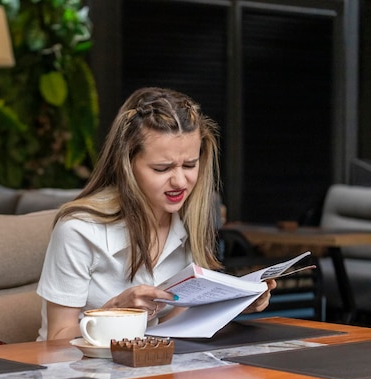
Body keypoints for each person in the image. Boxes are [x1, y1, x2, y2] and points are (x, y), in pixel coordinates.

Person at [36, 87, 276, 341]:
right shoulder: (78, 229)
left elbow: (175, 326)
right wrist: (116, 310)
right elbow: (58, 339)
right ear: (127, 164)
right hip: (80, 373)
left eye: (190, 165)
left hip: (151, 369)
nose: (180, 181)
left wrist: (233, 305)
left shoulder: (185, 223)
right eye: (162, 168)